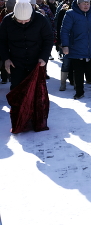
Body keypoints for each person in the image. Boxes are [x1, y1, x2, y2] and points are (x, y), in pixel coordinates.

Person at [0, 0, 52, 133]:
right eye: (19, 20)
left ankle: (35, 119)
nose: (23, 23)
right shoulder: (7, 21)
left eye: (26, 20)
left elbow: (48, 39)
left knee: (36, 93)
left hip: (36, 61)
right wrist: (6, 59)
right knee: (17, 92)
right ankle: (19, 121)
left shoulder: (41, 19)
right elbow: (2, 42)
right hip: (16, 62)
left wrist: (44, 57)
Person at [60, 0, 91, 99]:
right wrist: (65, 45)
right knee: (78, 72)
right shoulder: (70, 14)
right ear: (78, 4)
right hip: (76, 48)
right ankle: (79, 92)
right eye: (84, 3)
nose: (86, 5)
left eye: (88, 3)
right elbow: (64, 30)